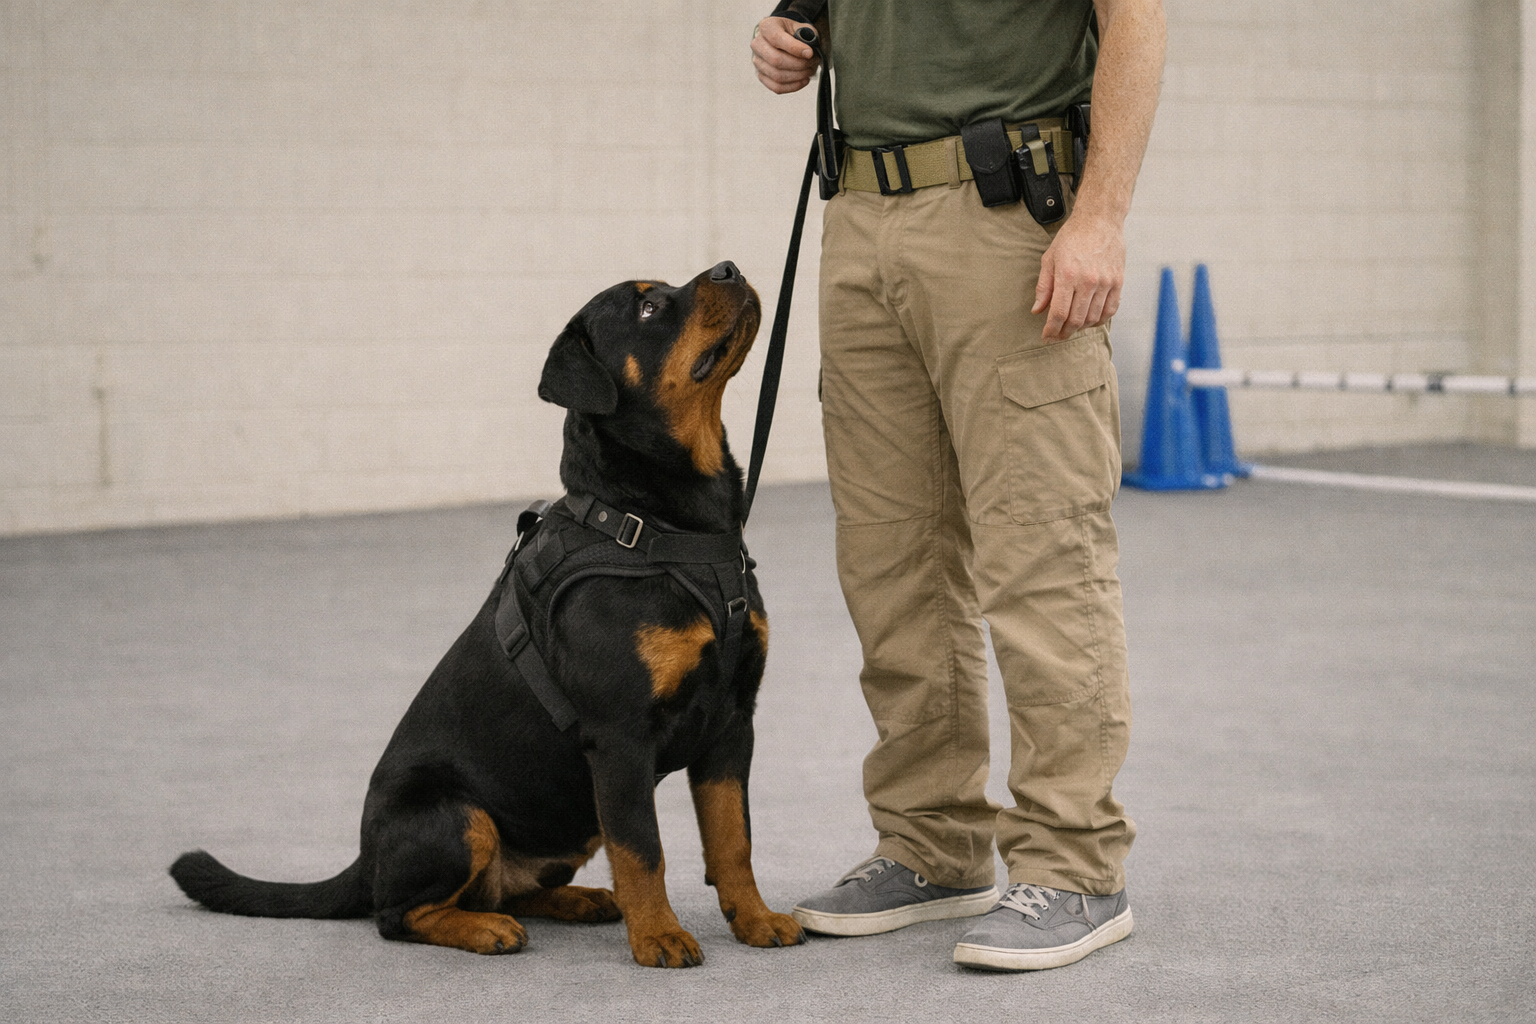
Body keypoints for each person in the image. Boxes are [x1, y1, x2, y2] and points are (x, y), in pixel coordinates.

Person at [750, 0, 1166, 971]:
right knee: (893, 559)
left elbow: (1136, 19)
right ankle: (932, 843)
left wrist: (1100, 219)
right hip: (858, 215)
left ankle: (1075, 864)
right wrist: (794, 24)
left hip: (1005, 212)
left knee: (1041, 548)